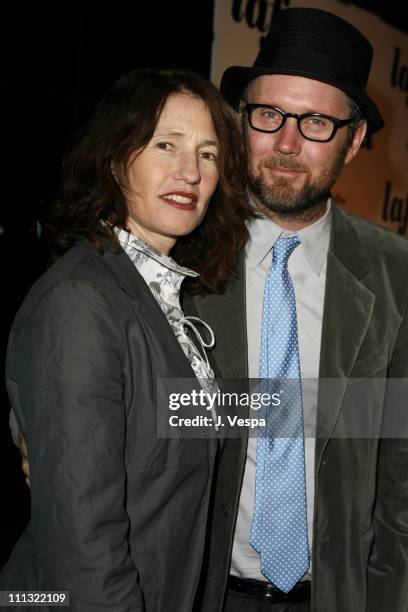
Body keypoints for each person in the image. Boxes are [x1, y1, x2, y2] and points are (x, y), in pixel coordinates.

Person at [0, 68, 252, 611]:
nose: (190, 171)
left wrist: (371, 411)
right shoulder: (81, 299)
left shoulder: (166, 295)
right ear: (116, 159)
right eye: (167, 144)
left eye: (208, 155)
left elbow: (184, 420)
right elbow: (83, 549)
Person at [186, 8, 408, 612]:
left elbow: (400, 477)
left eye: (315, 122)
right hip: (198, 593)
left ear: (355, 139)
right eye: (269, 115)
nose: (286, 144)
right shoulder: (181, 254)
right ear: (240, 120)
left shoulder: (396, 275)